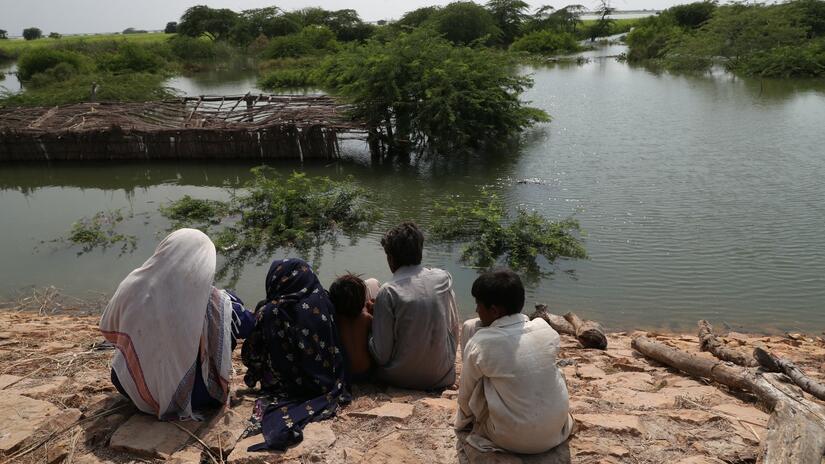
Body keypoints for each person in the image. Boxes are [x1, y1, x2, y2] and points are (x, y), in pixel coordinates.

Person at [99, 228, 255, 420]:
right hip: (196, 395)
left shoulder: (134, 284)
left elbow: (108, 327)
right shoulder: (218, 302)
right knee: (225, 316)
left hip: (134, 388)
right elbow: (249, 326)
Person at [456, 269, 574, 454]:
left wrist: (462, 422)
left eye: (478, 304)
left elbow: (466, 395)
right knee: (554, 372)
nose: (476, 310)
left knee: (482, 378)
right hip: (555, 433)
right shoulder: (545, 329)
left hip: (511, 439)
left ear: (494, 310)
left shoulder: (481, 344)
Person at [240, 258, 349, 450]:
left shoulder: (271, 312)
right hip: (326, 380)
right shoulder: (323, 299)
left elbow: (251, 356)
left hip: (285, 386)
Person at [369, 222, 460, 390]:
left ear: (390, 257)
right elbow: (454, 328)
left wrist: (369, 326)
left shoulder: (388, 291)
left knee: (371, 285)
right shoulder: (443, 279)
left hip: (399, 378)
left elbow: (382, 356)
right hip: (442, 374)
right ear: (420, 250)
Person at [328, 274, 379, 380]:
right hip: (367, 371)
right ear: (362, 302)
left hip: (346, 372)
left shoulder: (336, 320)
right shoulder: (366, 318)